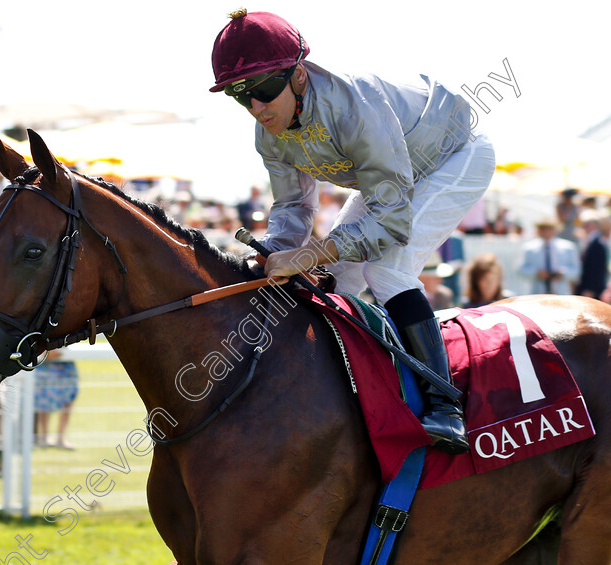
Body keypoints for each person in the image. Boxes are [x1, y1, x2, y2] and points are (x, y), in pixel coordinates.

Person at [209, 10, 496, 454]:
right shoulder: (268, 133)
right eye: (239, 96)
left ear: (298, 76)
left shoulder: (355, 108)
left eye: (264, 90)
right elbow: (291, 207)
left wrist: (305, 257)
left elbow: (392, 221)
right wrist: (274, 254)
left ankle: (446, 405)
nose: (256, 107)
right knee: (337, 281)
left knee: (386, 270)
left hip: (452, 158)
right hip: (389, 181)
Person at [518, 218, 580, 295]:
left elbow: (576, 270)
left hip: (561, 292)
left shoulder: (568, 247)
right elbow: (521, 269)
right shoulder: (529, 248)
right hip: (537, 292)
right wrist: (537, 273)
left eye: (549, 229)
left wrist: (563, 273)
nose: (546, 232)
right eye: (543, 229)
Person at [33, 350, 79, 449]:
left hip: (66, 366)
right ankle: (45, 436)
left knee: (68, 400)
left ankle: (60, 438)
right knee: (44, 399)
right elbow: (47, 354)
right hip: (47, 366)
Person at [575, 210, 610, 299]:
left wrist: (590, 289)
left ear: (595, 225)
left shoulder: (598, 243)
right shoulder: (591, 241)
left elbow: (597, 269)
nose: (584, 227)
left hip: (592, 290)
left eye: (587, 224)